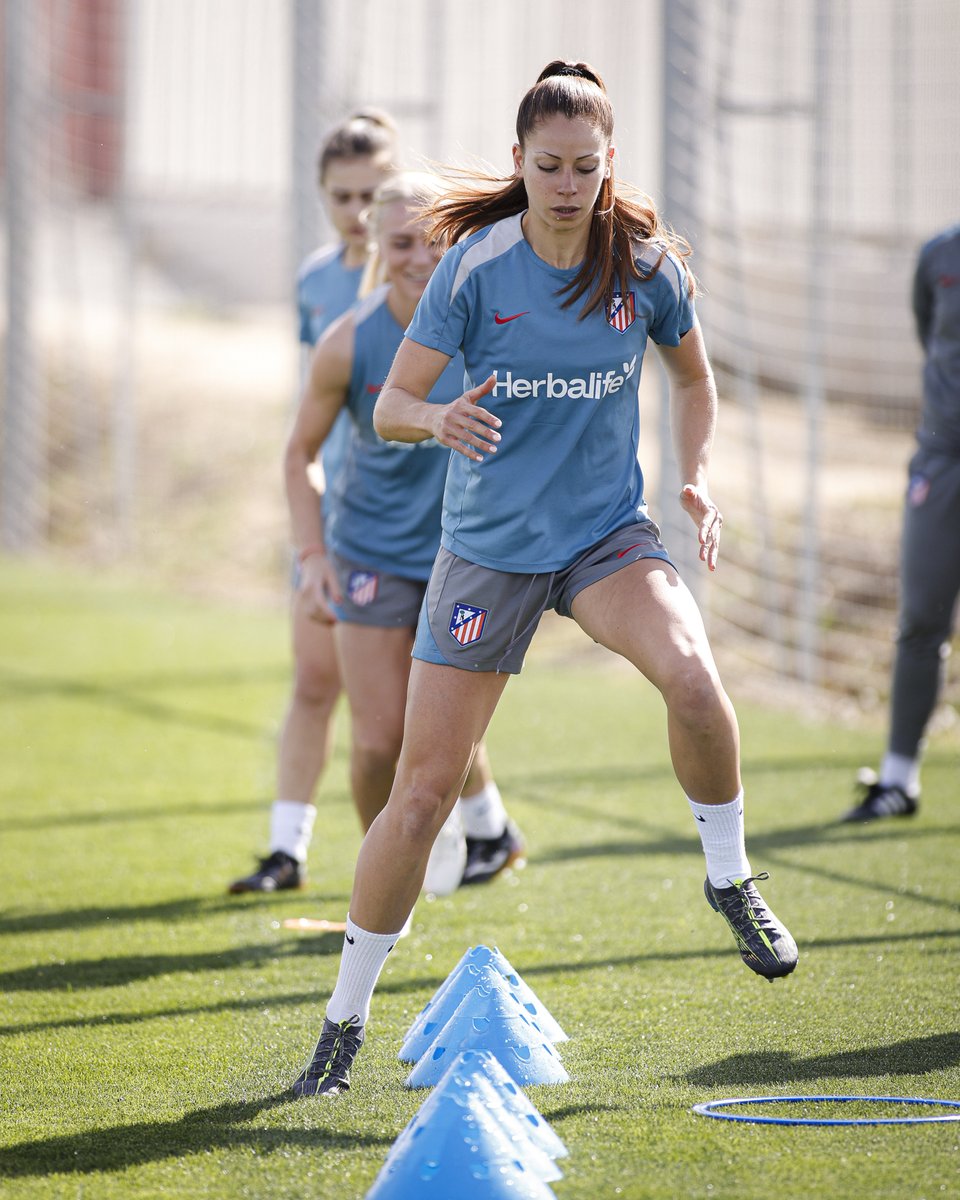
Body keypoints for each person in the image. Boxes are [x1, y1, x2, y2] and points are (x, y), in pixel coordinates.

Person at [290, 60, 799, 1099]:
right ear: (520, 164)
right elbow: (391, 405)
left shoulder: (644, 268)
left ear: (609, 168)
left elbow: (695, 378)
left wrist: (696, 477)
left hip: (605, 538)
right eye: (549, 165)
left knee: (696, 680)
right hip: (485, 551)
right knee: (421, 790)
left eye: (585, 166)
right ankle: (340, 1030)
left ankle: (732, 876)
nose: (568, 183)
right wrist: (439, 419)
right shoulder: (473, 268)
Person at [282, 171, 523, 896]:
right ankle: (387, 885)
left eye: (435, 240)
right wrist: (312, 555)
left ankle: (482, 829)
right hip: (370, 556)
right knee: (378, 741)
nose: (420, 257)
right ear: (378, 249)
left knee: (443, 739)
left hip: (471, 556)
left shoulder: (496, 328)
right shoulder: (348, 342)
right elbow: (298, 454)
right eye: (401, 244)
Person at [228, 110, 398, 894]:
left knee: (407, 707)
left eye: (374, 193)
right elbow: (312, 413)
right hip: (338, 515)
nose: (360, 213)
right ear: (323, 197)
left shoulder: (429, 278)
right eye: (343, 196)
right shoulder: (315, 281)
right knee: (313, 679)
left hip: (414, 520)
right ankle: (286, 851)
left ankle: (485, 826)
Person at [842, 220, 960, 822]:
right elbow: (928, 334)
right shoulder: (939, 253)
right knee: (921, 620)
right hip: (942, 463)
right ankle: (898, 781)